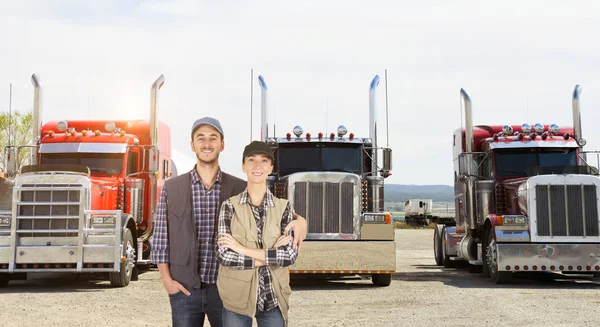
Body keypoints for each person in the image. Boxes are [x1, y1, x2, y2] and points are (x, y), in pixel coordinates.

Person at [152, 117, 306, 327]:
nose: (207, 144)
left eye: (213, 138)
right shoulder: (172, 188)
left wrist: (300, 220)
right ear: (192, 144)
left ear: (222, 145)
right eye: (201, 138)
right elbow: (161, 238)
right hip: (184, 288)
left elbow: (270, 210)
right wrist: (166, 280)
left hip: (225, 287)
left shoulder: (239, 187)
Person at [216, 141, 297, 327]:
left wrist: (239, 248)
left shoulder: (283, 207)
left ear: (271, 168)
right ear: (243, 166)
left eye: (264, 160)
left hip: (273, 299)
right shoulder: (229, 206)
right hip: (236, 299)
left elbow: (289, 255)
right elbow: (223, 255)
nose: (257, 166)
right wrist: (268, 257)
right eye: (251, 160)